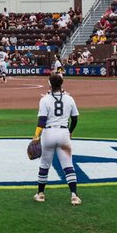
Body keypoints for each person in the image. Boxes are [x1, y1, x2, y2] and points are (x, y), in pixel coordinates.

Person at [31, 73, 81, 206]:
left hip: (48, 133)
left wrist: (36, 135)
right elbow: (75, 118)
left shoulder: (45, 99)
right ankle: (74, 195)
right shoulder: (69, 99)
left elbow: (42, 120)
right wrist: (70, 132)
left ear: (49, 84)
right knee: (68, 166)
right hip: (64, 132)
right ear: (62, 84)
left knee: (44, 165)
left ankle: (40, 194)